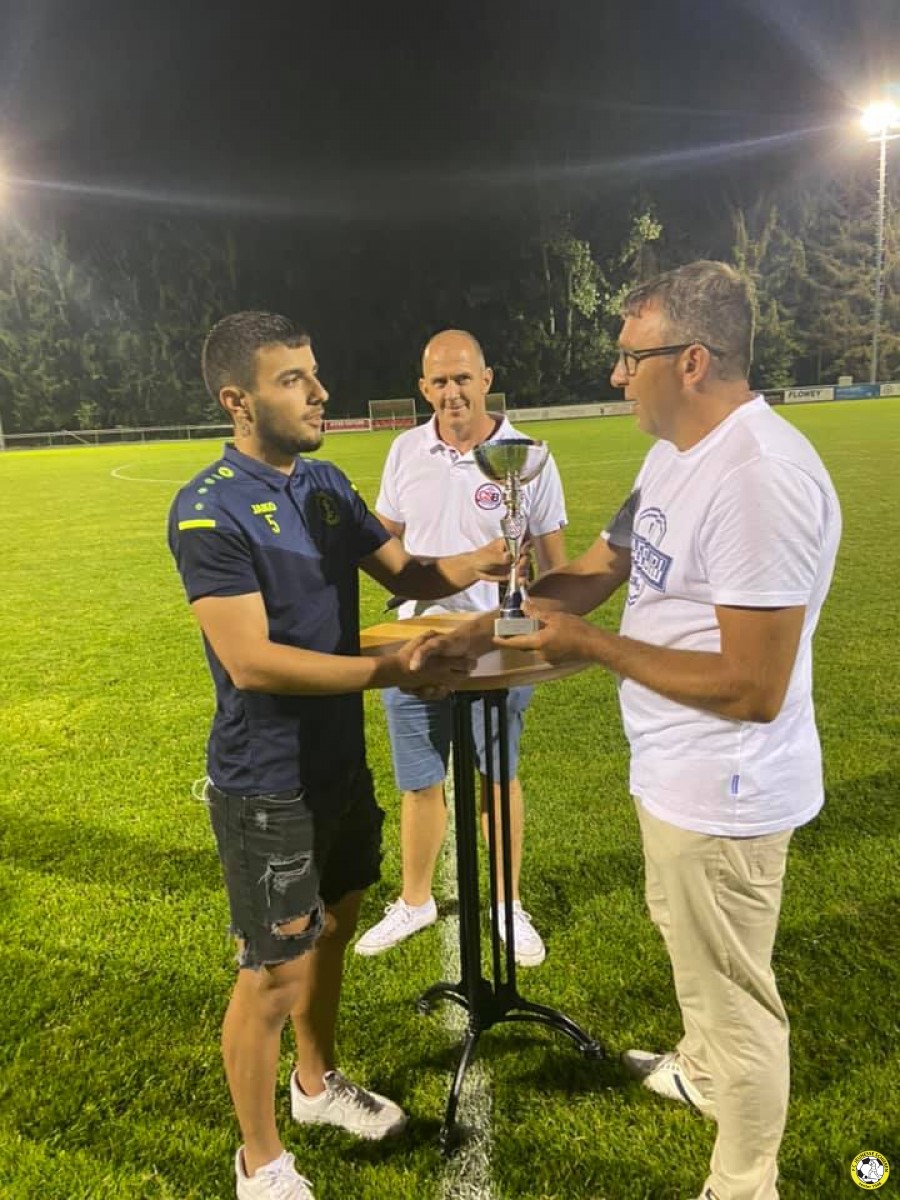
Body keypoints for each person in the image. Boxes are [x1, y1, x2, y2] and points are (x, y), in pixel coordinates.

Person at [415, 263, 841, 1200]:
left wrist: (591, 647)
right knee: (692, 955)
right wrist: (495, 628)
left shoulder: (758, 479)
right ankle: (698, 1068)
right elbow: (604, 567)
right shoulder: (673, 456)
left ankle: (743, 1181)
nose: (615, 375)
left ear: (691, 361)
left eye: (628, 357)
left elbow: (753, 684)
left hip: (726, 785)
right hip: (673, 769)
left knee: (737, 999)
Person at [167, 312, 512, 1200]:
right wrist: (394, 666)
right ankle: (260, 1162)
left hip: (336, 768)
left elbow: (405, 574)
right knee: (274, 974)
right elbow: (253, 661)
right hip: (265, 780)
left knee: (332, 935)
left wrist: (484, 554)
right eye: (294, 380)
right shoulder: (206, 509)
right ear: (238, 400)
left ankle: (316, 1085)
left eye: (314, 373)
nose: (320, 392)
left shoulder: (322, 484)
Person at [353, 329, 568, 967]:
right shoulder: (404, 450)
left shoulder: (526, 455)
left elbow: (553, 561)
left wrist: (533, 615)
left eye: (463, 378)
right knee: (419, 781)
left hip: (498, 642)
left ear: (486, 378)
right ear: (424, 389)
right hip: (416, 641)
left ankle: (507, 903)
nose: (452, 392)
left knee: (497, 777)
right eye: (440, 381)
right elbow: (384, 544)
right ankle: (415, 900)